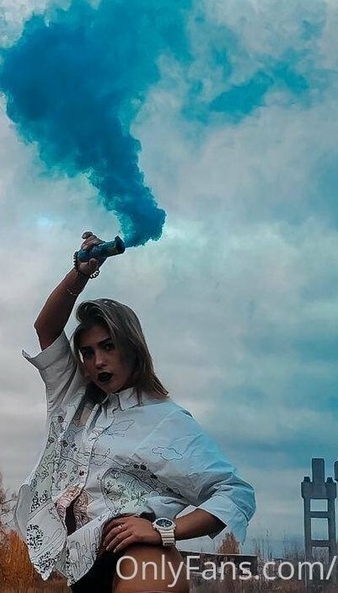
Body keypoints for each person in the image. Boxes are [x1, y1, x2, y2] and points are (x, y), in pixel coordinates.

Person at [15, 232, 256, 593]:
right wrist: (80, 273)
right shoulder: (73, 394)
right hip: (83, 568)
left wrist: (165, 531)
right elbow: (46, 328)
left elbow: (236, 493)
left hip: (141, 558)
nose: (98, 361)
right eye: (88, 352)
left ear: (131, 347)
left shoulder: (168, 421)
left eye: (108, 347)